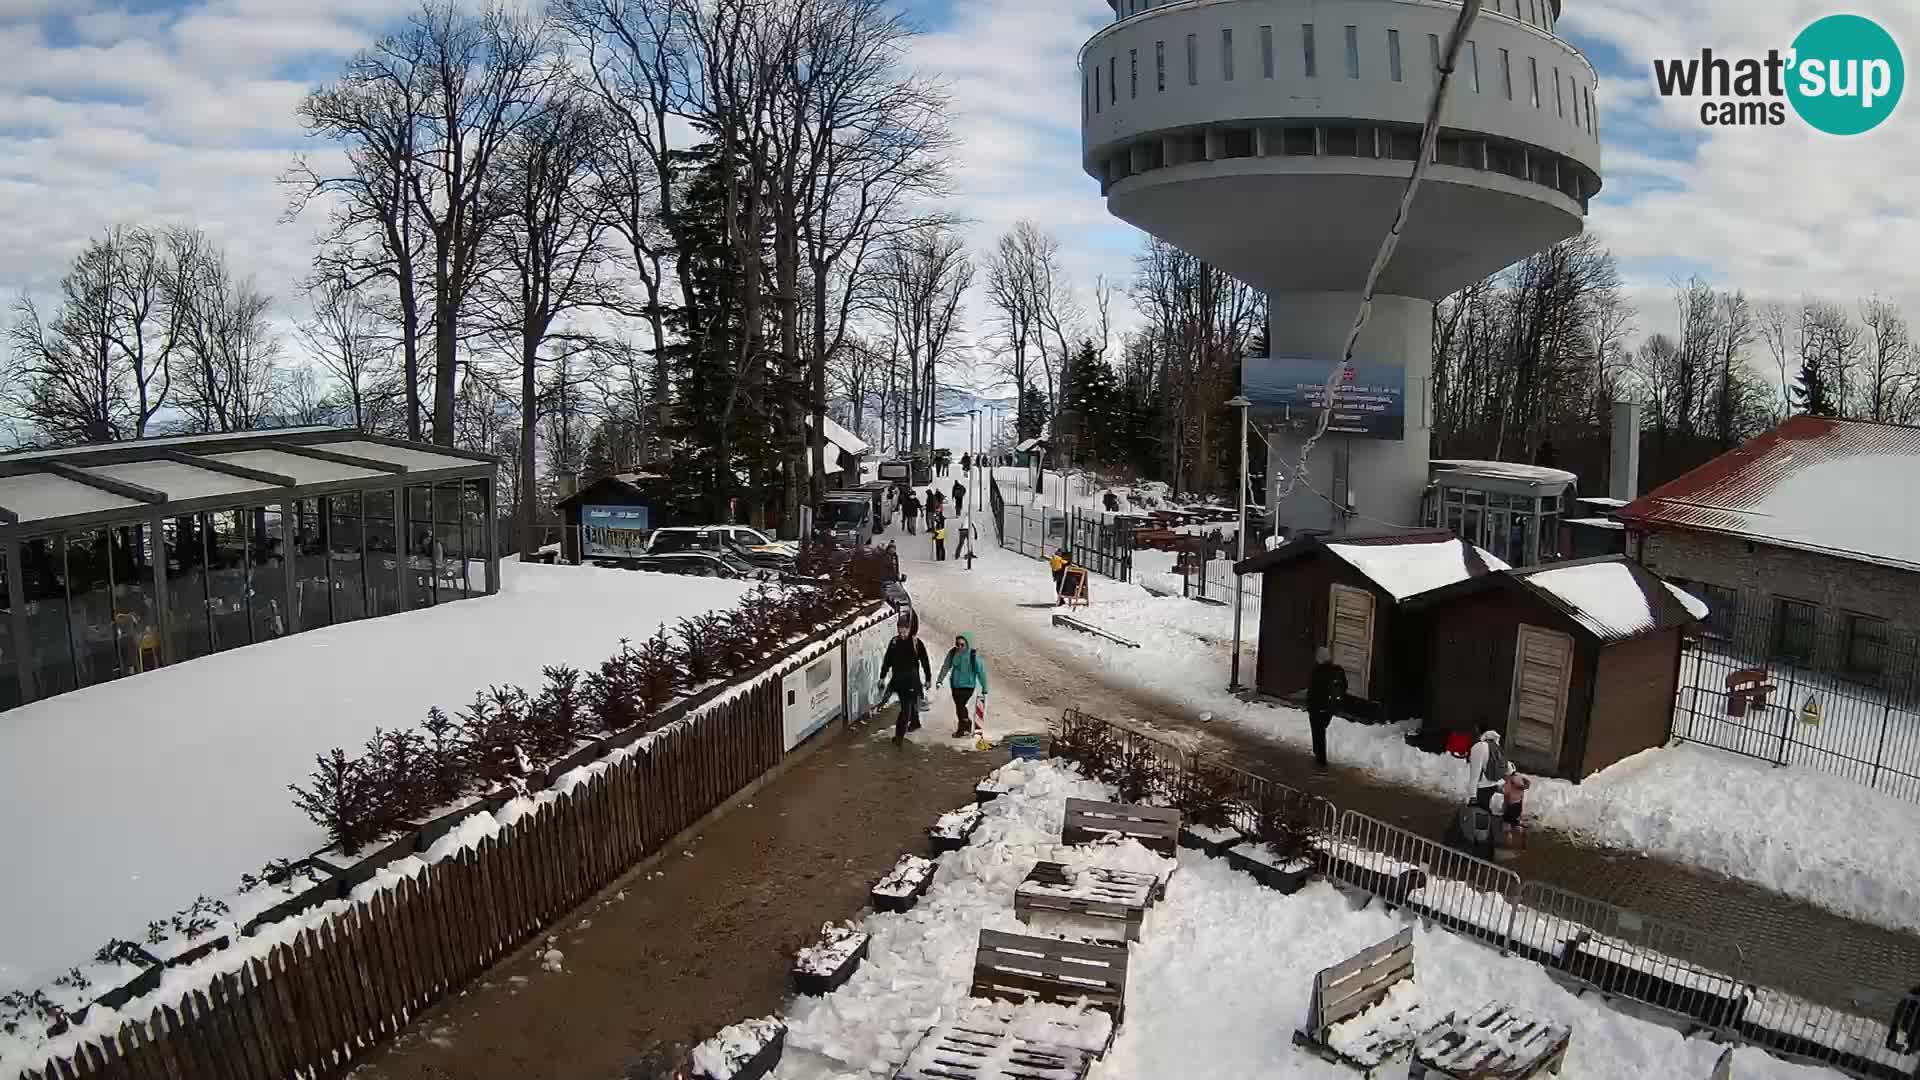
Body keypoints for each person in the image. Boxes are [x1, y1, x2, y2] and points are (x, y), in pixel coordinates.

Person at [877, 615, 931, 744]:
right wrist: (882, 676)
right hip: (898, 681)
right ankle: (915, 722)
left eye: (904, 631)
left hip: (912, 681)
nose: (902, 634)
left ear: (909, 629)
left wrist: (928, 678)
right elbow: (887, 660)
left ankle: (899, 737)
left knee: (905, 709)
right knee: (909, 704)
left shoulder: (916, 643)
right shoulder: (894, 642)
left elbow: (925, 661)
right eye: (900, 631)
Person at [935, 632, 990, 738]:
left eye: (962, 645)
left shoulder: (973, 656)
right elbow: (946, 666)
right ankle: (966, 723)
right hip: (955, 685)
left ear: (968, 644)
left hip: (968, 686)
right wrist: (940, 680)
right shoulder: (953, 653)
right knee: (959, 707)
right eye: (957, 644)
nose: (959, 647)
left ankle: (962, 728)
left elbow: (981, 672)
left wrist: (985, 687)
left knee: (960, 706)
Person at [1306, 646, 1347, 770]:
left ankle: (1320, 759)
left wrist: (1310, 705)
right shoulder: (1338, 670)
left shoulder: (1317, 670)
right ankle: (1319, 756)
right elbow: (1344, 686)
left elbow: (1312, 691)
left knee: (1318, 732)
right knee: (1321, 730)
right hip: (1330, 707)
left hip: (1317, 707)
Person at [1467, 729, 1512, 810]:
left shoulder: (1479, 747)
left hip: (1481, 787)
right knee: (1485, 809)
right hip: (1494, 785)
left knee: (1479, 812)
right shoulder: (1497, 748)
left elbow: (1475, 773)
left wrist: (1472, 796)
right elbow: (1509, 769)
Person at [1501, 770, 1532, 849]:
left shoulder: (1509, 781)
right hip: (1517, 806)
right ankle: (1523, 833)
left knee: (1506, 827)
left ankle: (1508, 847)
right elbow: (1522, 797)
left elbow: (1507, 797)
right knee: (1515, 824)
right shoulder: (1520, 779)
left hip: (1511, 806)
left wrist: (1504, 809)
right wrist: (1520, 810)